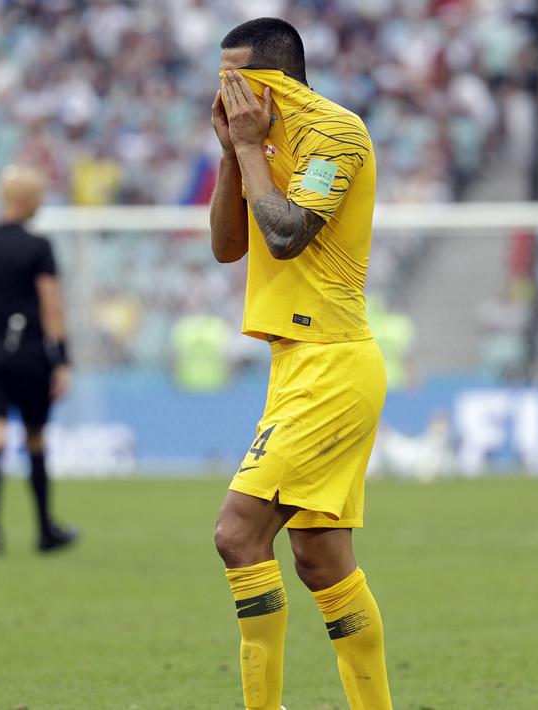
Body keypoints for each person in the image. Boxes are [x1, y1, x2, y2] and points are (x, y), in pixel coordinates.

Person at [209, 18, 392, 709]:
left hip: (333, 364)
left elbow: (284, 236)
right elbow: (230, 247)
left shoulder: (334, 133)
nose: (225, 91)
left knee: (235, 534)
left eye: (237, 78)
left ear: (275, 79)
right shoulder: (261, 136)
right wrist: (233, 154)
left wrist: (252, 147)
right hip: (295, 363)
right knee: (321, 561)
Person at [0, 165, 76, 555]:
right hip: (28, 355)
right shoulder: (37, 247)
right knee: (35, 438)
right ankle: (44, 529)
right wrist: (61, 359)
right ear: (26, 200)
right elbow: (51, 305)